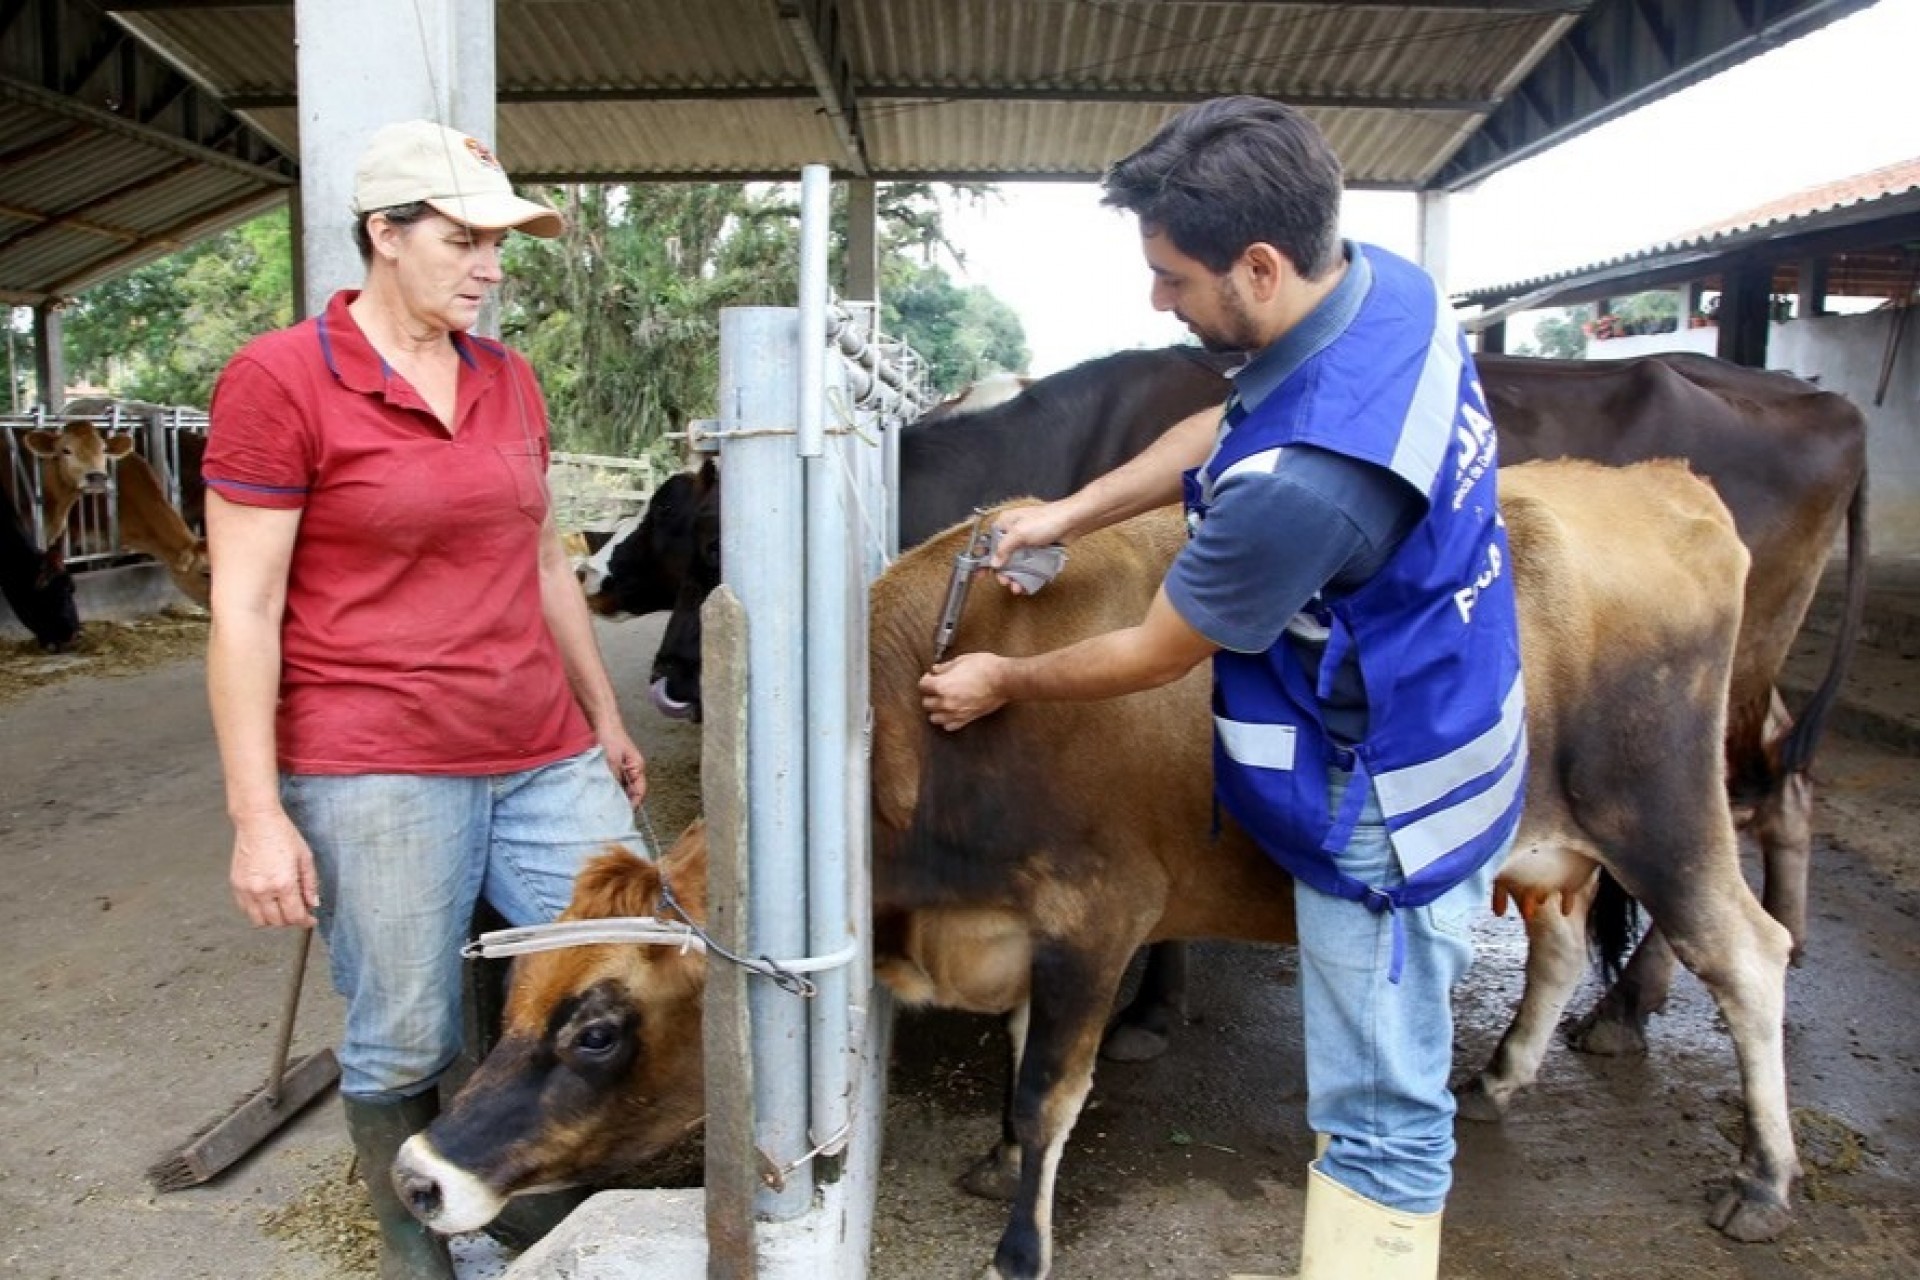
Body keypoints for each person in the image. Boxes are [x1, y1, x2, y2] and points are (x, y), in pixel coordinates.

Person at [918, 96, 1525, 1280]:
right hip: (1455, 698)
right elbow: (1229, 421)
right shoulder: (1385, 290)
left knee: (1380, 1116)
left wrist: (1004, 675)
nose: (1157, 301)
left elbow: (1156, 649)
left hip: (1388, 812)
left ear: (1259, 263)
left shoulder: (1304, 486)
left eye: (1171, 276)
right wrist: (1073, 508)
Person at [203, 119, 647, 1279]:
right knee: (405, 1030)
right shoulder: (280, 378)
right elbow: (243, 608)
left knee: (616, 974)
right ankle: (421, 1253)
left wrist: (603, 714)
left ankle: (541, 1217)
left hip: (542, 747)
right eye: (464, 239)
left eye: (499, 242)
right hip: (376, 758)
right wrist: (259, 812)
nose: (491, 266)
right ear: (384, 236)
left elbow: (545, 558)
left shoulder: (507, 376)